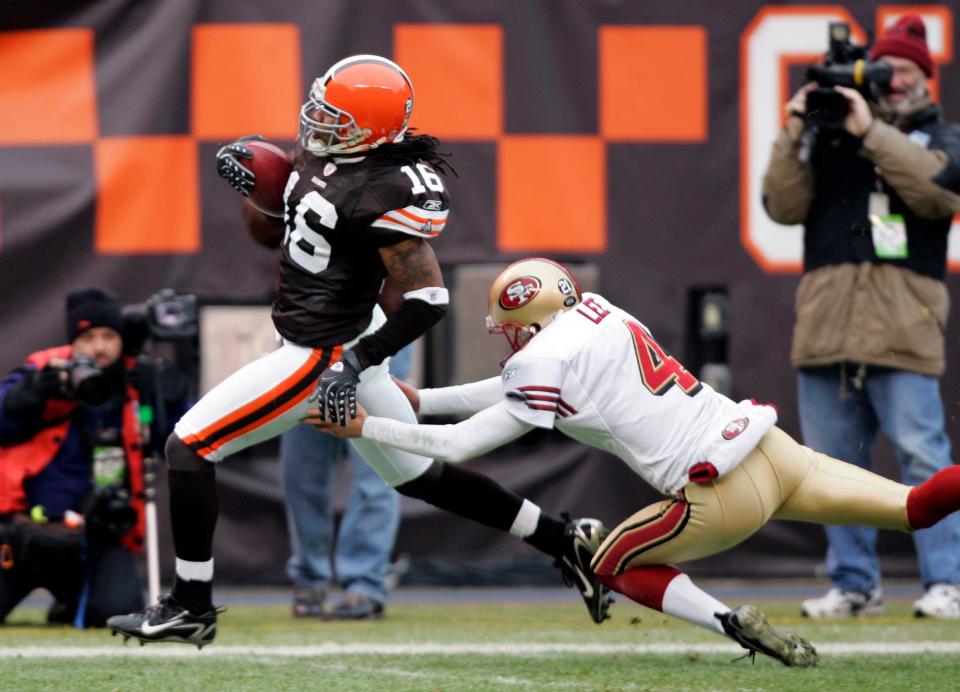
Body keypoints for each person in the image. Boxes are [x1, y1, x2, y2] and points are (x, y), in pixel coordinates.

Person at [107, 54, 610, 648]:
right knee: (421, 476)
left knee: (188, 447)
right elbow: (301, 223)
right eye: (319, 106)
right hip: (330, 333)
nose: (317, 121)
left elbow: (428, 298)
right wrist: (269, 194)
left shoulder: (385, 188)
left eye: (334, 115)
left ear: (370, 130)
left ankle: (189, 604)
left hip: (322, 350)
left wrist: (355, 363)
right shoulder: (331, 157)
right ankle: (565, 541)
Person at [312, 257, 960, 667]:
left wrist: (372, 425)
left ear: (529, 322)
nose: (508, 340)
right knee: (916, 506)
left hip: (718, 489)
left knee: (606, 561)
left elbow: (458, 447)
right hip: (772, 449)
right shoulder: (598, 312)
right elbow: (521, 387)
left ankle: (730, 623)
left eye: (510, 328)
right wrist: (425, 399)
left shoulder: (543, 359)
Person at [761, 14, 960, 619]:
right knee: (829, 469)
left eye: (904, 71)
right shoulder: (830, 138)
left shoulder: (940, 137)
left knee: (922, 457)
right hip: (826, 330)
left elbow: (939, 192)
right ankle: (854, 584)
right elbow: (781, 204)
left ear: (927, 79)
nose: (893, 81)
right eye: (885, 70)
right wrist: (796, 127)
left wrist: (871, 129)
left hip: (902, 328)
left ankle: (947, 582)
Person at [0, 287, 187, 627]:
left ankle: (69, 602)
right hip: (22, 531)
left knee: (116, 614)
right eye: (87, 338)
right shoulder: (46, 369)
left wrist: (169, 396)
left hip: (96, 534)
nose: (99, 348)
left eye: (108, 336)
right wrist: (28, 396)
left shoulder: (136, 379)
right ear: (73, 341)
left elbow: (181, 439)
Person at [282, 343, 411, 620]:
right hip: (308, 339)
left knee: (378, 471)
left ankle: (365, 583)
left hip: (377, 339)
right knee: (301, 472)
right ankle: (310, 578)